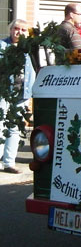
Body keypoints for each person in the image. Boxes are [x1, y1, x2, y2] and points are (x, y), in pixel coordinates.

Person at [1, 20, 35, 174]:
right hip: (4, 92)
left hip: (22, 93)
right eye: (16, 28)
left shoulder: (30, 49)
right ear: (10, 30)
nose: (19, 32)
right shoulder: (2, 46)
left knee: (14, 128)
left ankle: (9, 162)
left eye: (23, 30)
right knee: (1, 126)